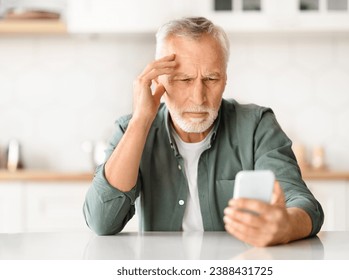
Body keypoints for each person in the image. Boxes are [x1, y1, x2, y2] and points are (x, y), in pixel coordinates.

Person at [83, 17, 324, 247]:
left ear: (225, 79)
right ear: (159, 80)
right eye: (184, 79)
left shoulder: (257, 126)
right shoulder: (131, 129)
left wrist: (286, 226)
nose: (199, 98)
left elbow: (303, 203)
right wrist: (141, 121)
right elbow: (101, 221)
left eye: (211, 78)